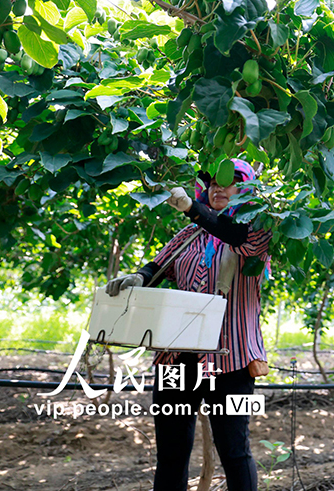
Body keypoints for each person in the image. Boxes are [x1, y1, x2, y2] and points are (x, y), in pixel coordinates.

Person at [106, 159, 272, 491]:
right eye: (212, 183)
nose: (217, 188)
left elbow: (231, 233)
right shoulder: (189, 234)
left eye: (227, 182)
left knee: (235, 451)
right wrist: (138, 277)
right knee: (171, 453)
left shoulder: (256, 230)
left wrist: (190, 208)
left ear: (246, 189)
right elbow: (159, 265)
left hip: (232, 361)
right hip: (176, 360)